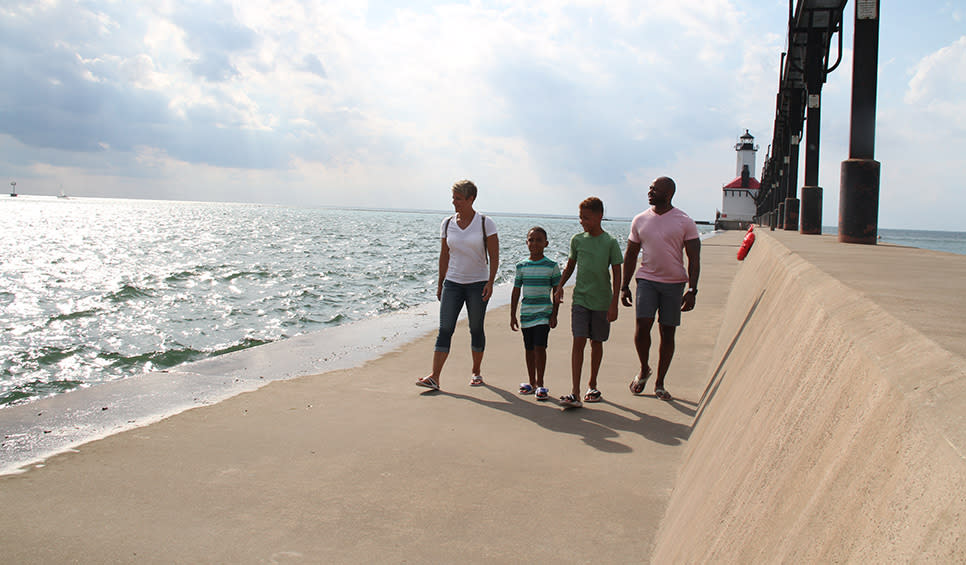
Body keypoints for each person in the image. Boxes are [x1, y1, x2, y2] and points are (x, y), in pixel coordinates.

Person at [620, 176, 701, 402]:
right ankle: (644, 368)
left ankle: (660, 383)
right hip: (646, 280)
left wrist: (693, 290)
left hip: (674, 284)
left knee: (667, 332)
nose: (649, 191)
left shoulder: (685, 221)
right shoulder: (640, 220)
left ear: (668, 194)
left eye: (654, 189)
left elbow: (694, 258)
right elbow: (631, 254)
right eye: (650, 188)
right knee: (643, 324)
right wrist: (624, 286)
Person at [416, 180, 499, 391]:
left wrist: (490, 281)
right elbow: (444, 254)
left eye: (459, 199)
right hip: (452, 282)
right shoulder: (447, 223)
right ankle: (435, 376)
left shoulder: (485, 223)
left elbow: (494, 255)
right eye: (453, 198)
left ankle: (476, 372)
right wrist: (440, 282)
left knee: (476, 328)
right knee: (445, 328)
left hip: (477, 283)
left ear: (471, 199)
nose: (454, 202)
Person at [553, 197, 623, 408]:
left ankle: (592, 385)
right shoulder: (578, 240)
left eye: (586, 218)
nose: (582, 221)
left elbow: (617, 273)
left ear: (599, 216)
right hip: (580, 299)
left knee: (597, 342)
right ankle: (574, 392)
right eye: (580, 217)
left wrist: (614, 303)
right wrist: (559, 286)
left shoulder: (610, 242)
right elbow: (570, 266)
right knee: (578, 340)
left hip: (602, 301)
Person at [510, 227, 561, 401]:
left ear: (545, 244)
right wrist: (512, 315)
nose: (534, 243)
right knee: (529, 348)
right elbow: (516, 291)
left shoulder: (552, 266)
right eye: (531, 240)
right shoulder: (521, 266)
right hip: (526, 314)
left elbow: (557, 292)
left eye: (539, 240)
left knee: (540, 347)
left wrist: (554, 314)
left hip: (543, 314)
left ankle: (540, 383)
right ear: (526, 243)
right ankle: (531, 382)